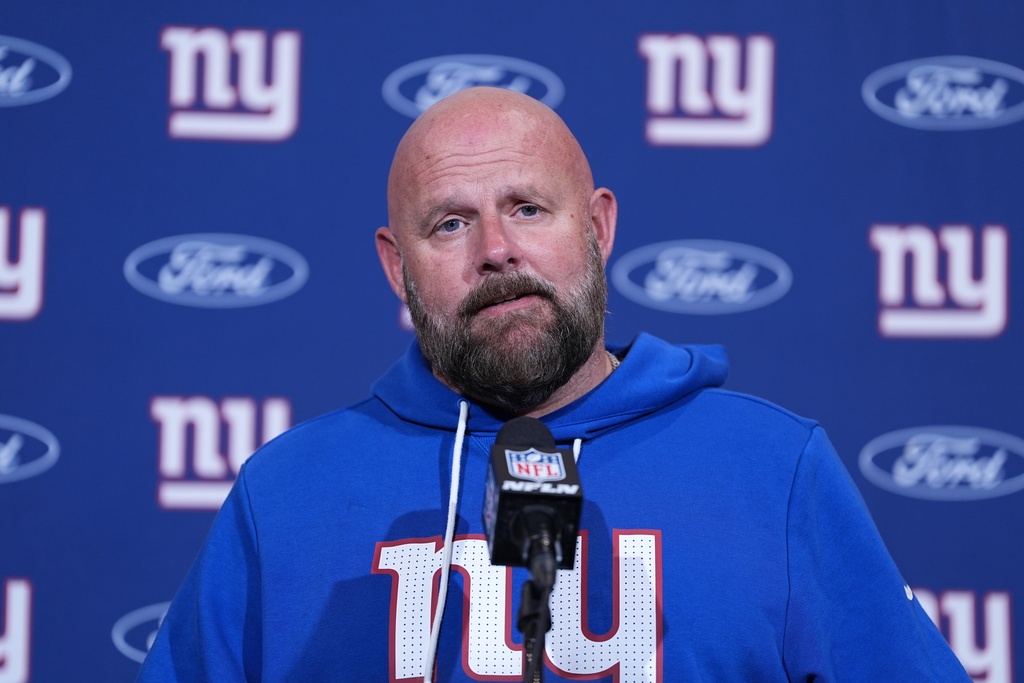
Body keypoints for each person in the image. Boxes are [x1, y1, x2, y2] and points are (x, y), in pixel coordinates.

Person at [138, 87, 970, 682]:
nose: (496, 249)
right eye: (450, 223)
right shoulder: (286, 494)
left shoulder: (773, 468)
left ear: (600, 228)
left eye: (529, 208)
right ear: (397, 266)